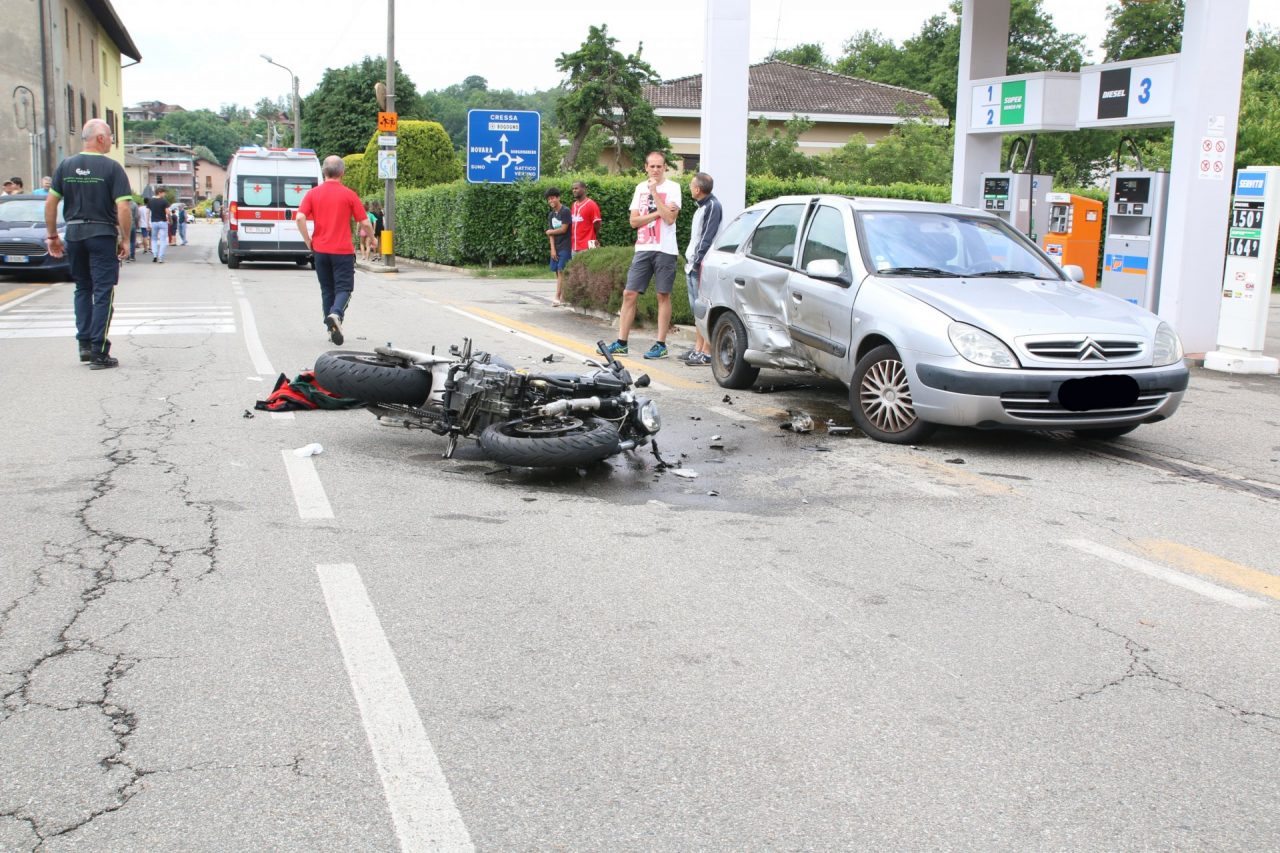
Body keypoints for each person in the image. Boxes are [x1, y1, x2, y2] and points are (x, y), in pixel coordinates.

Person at [43, 118, 132, 369]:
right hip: (101, 233)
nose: (112, 141)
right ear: (101, 138)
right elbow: (123, 207)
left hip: (74, 233)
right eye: (111, 136)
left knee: (83, 288)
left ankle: (83, 344)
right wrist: (125, 238)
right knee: (103, 291)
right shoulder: (112, 168)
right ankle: (98, 351)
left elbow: (51, 203)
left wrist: (52, 236)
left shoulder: (66, 165)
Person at [605, 151, 681, 359]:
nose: (655, 170)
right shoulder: (640, 188)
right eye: (652, 166)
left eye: (659, 166)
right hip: (643, 247)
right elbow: (634, 221)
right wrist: (659, 212)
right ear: (646, 167)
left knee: (662, 295)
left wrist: (655, 193)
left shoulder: (673, 188)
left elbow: (670, 219)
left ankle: (661, 344)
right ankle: (621, 342)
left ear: (665, 167)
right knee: (629, 293)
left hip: (665, 249)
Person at [296, 155, 374, 346]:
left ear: (324, 172)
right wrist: (373, 239)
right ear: (342, 173)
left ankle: (331, 330)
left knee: (327, 290)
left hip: (320, 250)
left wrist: (308, 240)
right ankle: (336, 314)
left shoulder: (313, 194)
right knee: (344, 289)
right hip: (342, 251)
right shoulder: (349, 194)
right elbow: (365, 222)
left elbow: (299, 217)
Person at [680, 172, 723, 366]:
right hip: (692, 264)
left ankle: (707, 351)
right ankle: (698, 348)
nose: (690, 188)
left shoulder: (713, 206)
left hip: (700, 265)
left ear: (698, 189)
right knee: (696, 310)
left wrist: (697, 261)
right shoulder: (701, 207)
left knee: (704, 309)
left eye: (691, 185)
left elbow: (707, 237)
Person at [544, 187, 571, 305]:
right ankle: (564, 296)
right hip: (556, 246)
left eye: (553, 198)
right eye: (549, 199)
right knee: (556, 271)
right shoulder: (551, 215)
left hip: (566, 246)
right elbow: (551, 234)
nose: (551, 201)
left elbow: (564, 229)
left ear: (558, 198)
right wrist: (552, 249)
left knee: (561, 270)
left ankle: (557, 297)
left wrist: (550, 231)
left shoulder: (565, 211)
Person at [569, 180, 601, 254]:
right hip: (575, 246)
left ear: (584, 189)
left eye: (576, 188)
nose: (574, 190)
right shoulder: (573, 205)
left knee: (591, 261)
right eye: (573, 189)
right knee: (575, 262)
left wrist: (593, 236)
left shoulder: (592, 204)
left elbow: (597, 223)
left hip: (589, 245)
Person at [146, 193, 170, 262]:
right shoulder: (164, 201)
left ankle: (155, 255)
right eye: (164, 193)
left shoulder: (150, 201)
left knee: (154, 239)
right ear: (160, 193)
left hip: (154, 222)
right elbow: (167, 212)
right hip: (163, 222)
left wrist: (147, 223)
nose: (164, 194)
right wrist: (169, 219)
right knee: (163, 240)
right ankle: (160, 257)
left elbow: (147, 213)